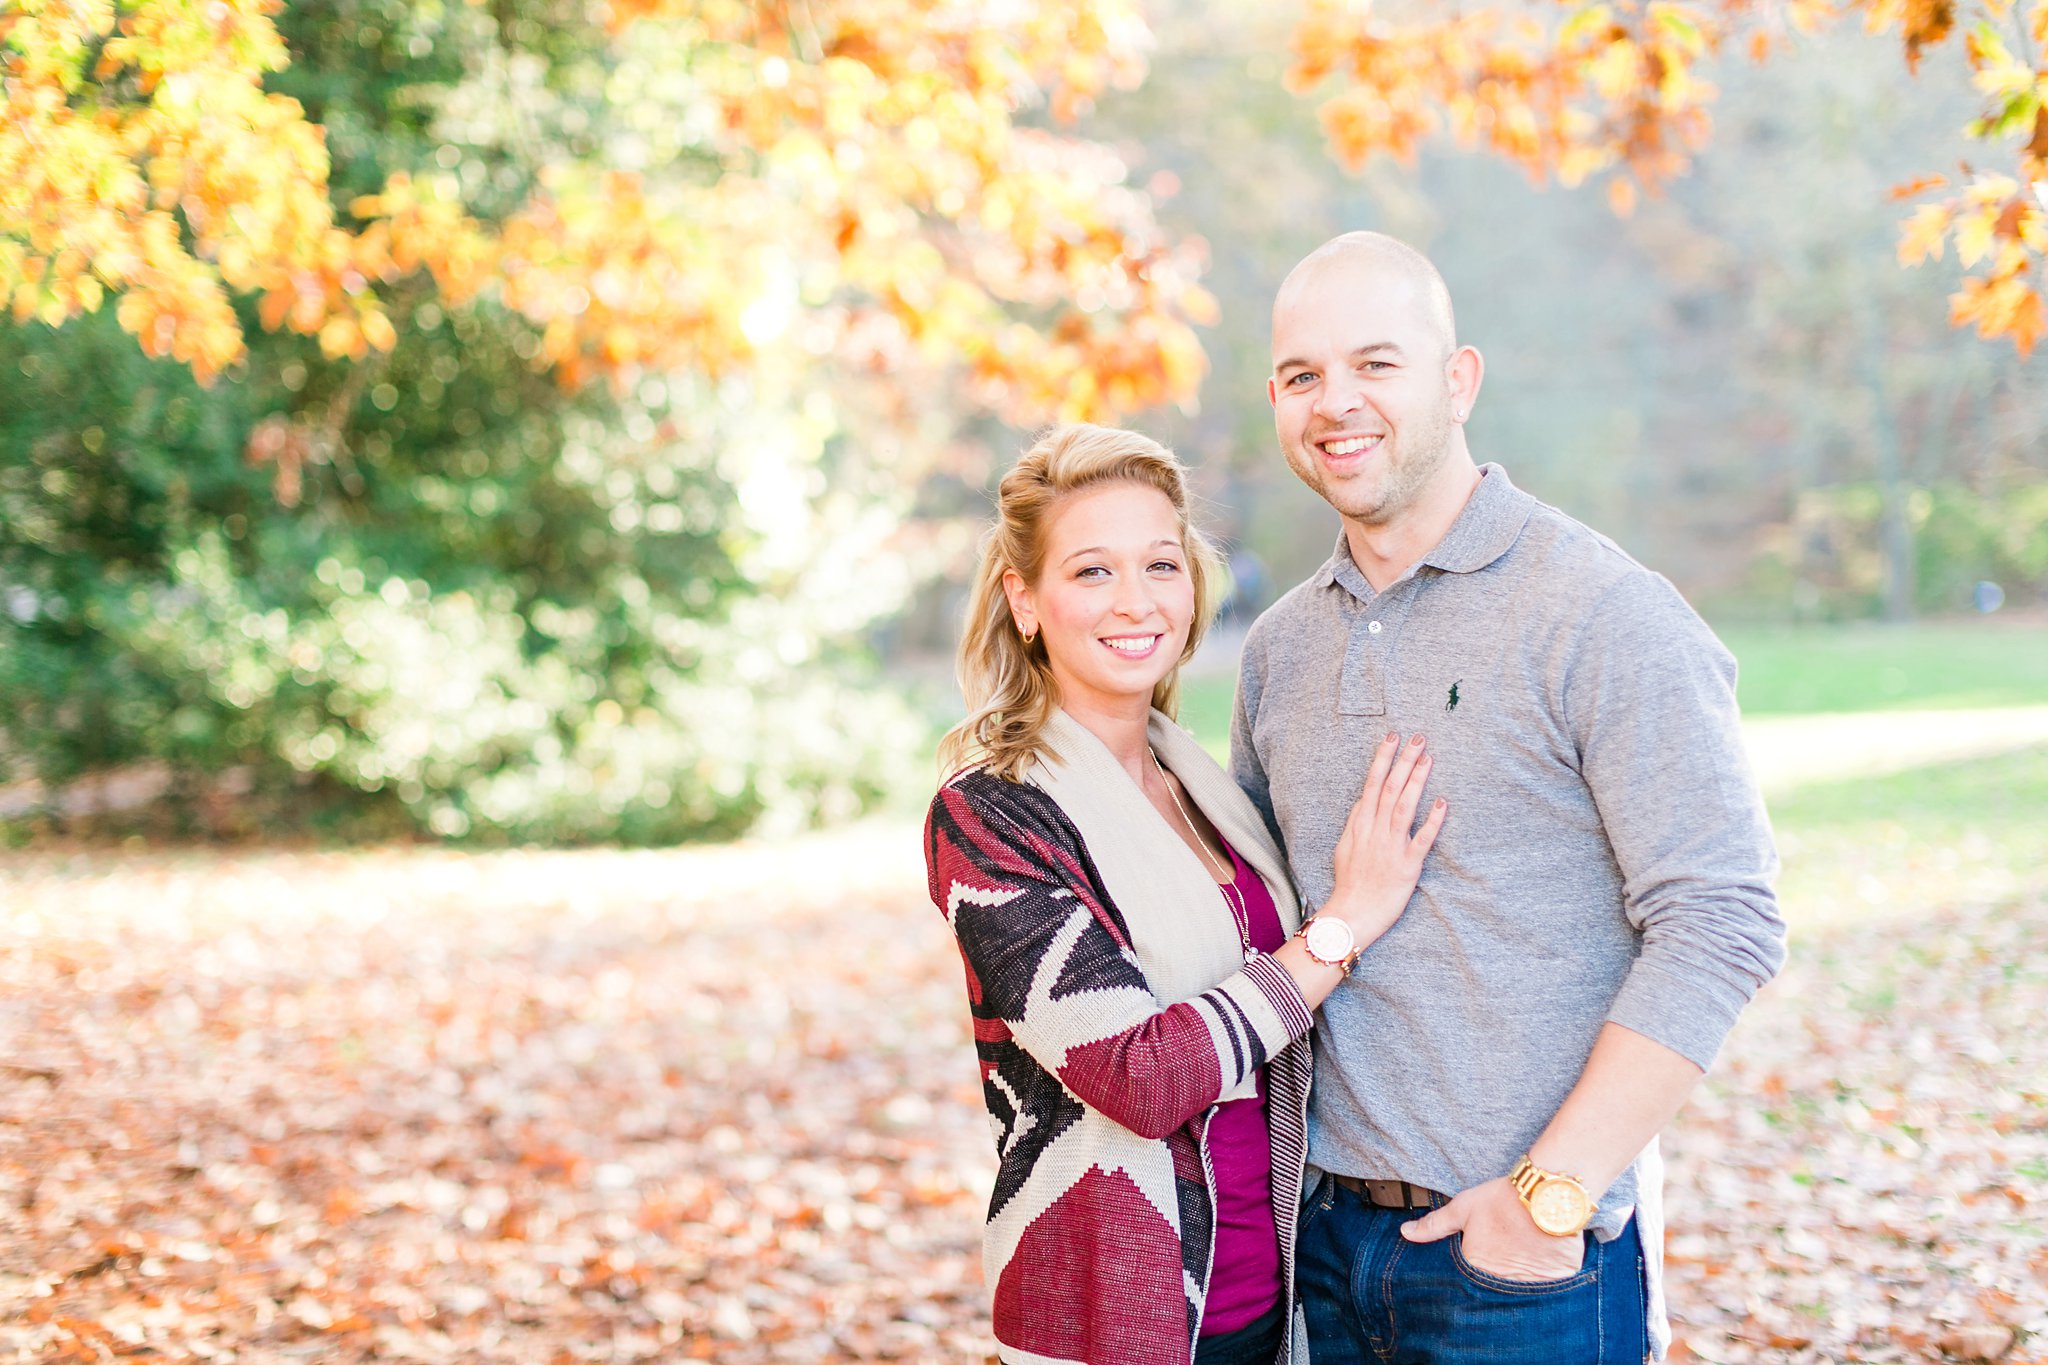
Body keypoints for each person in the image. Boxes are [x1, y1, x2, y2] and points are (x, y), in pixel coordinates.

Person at [1232, 232, 1787, 1364]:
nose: (1334, 402)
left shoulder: (1601, 610)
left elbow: (1721, 919)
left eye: (1374, 364)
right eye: (1301, 376)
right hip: (1321, 1253)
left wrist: (1548, 1198)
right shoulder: (1277, 651)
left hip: (1523, 1271)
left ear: (1457, 378)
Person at [925, 423, 1448, 1365]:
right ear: (1024, 598)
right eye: (1091, 572)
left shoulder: (1203, 783)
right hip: (1119, 1313)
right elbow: (1141, 1077)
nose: (1136, 601)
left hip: (1281, 1290)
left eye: (1161, 564)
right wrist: (1343, 925)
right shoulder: (989, 815)